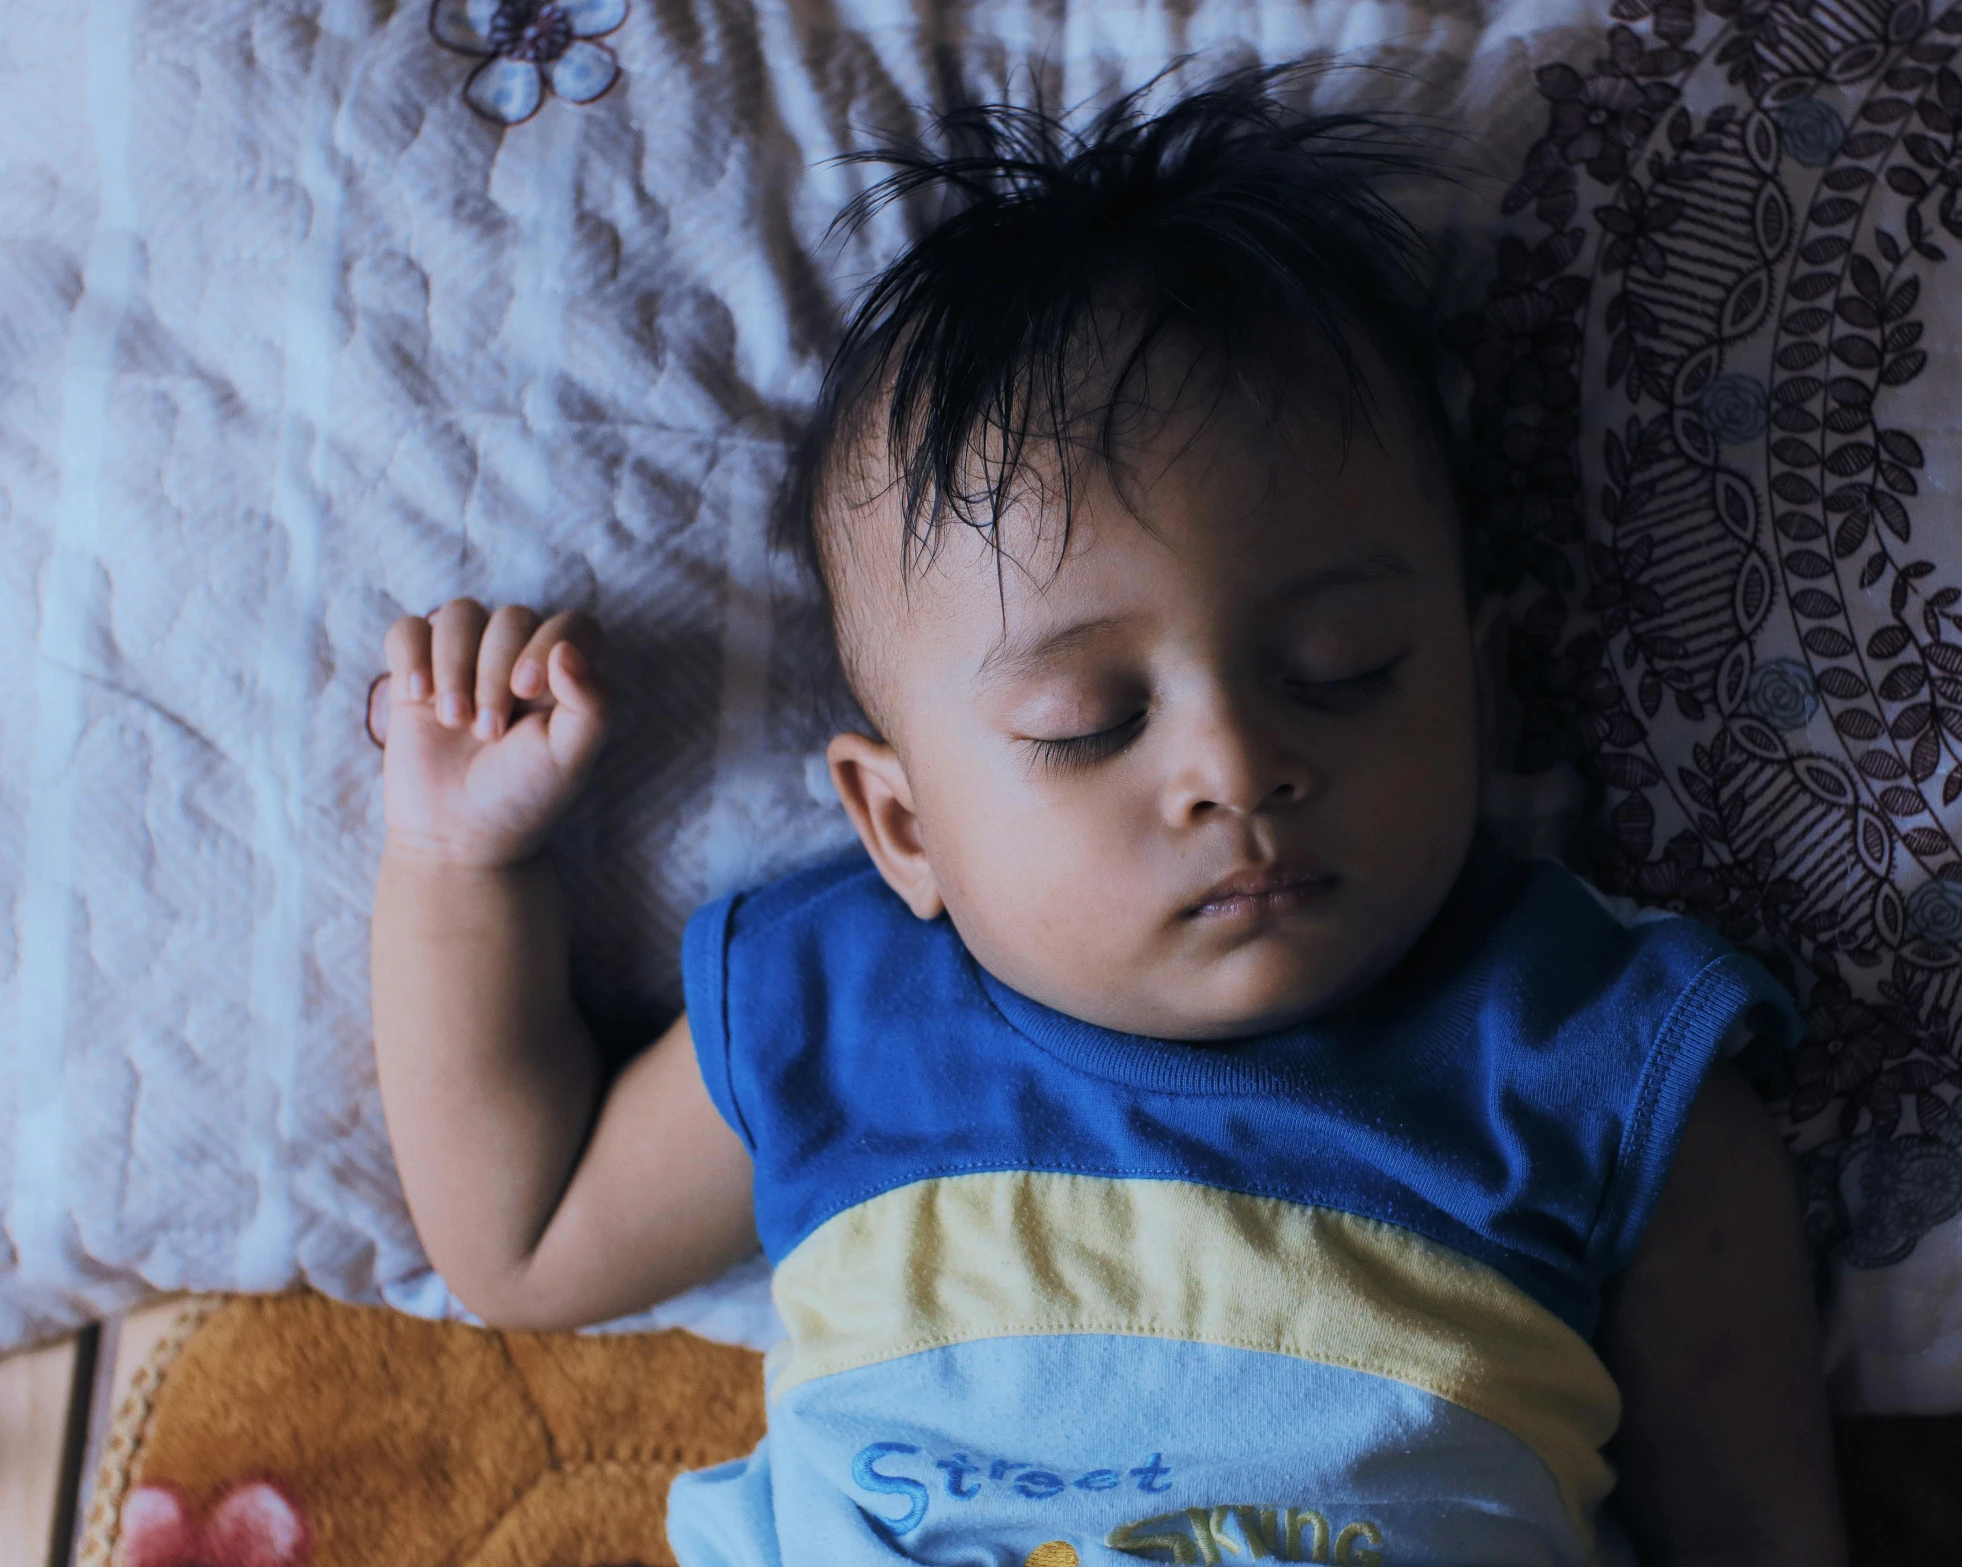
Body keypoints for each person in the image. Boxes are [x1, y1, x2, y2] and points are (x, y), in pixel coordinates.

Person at [367, 70, 1846, 1567]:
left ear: (1481, 684)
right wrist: (457, 857)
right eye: (1088, 722)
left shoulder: (1595, 1046)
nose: (1234, 763)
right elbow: (522, 1234)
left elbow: (1758, 1529)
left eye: (1342, 674)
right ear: (904, 827)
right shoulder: (842, 1007)